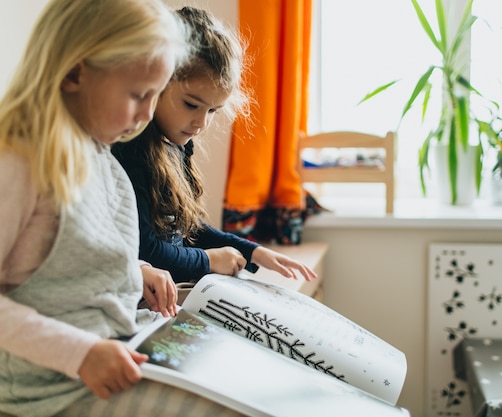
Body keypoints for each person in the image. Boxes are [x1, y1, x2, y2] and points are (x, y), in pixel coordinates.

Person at [0, 0, 244, 416]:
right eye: (138, 95)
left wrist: (137, 272)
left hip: (118, 345)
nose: (148, 113)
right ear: (76, 72)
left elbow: (68, 264)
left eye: (156, 95)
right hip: (50, 387)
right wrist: (79, 353)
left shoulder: (101, 157)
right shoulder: (19, 161)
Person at [112, 7, 318, 285]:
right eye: (191, 105)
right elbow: (144, 251)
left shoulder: (176, 143)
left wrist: (253, 251)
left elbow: (186, 229)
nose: (201, 123)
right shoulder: (131, 148)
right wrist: (209, 260)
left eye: (213, 111)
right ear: (157, 82)